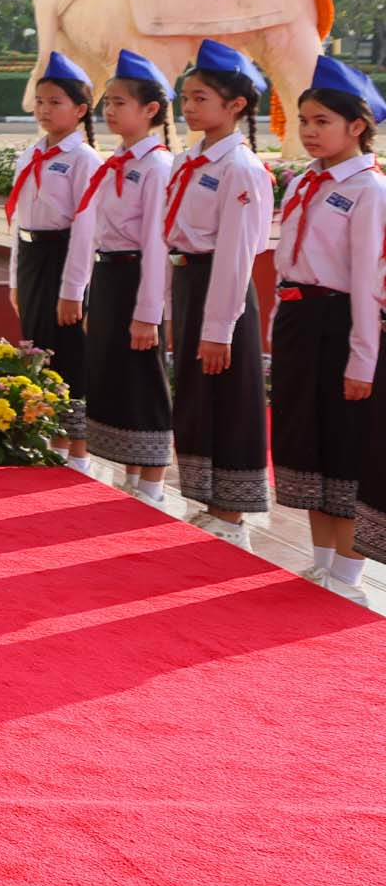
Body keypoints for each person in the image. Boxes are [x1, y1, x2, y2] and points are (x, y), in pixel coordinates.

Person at [270, 56, 386, 604]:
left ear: (356, 127)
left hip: (341, 324)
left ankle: (348, 576)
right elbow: (285, 268)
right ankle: (319, 567)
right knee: (305, 442)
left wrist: (363, 360)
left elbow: (368, 280)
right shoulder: (300, 183)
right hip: (299, 323)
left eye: (322, 121)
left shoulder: (370, 189)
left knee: (344, 446)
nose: (310, 132)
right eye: (305, 121)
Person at [163, 40, 275, 544]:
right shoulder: (191, 160)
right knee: (197, 396)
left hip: (221, 289)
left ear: (236, 106)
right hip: (189, 280)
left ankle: (232, 513)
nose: (188, 107)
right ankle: (209, 501)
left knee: (229, 397)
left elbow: (237, 254)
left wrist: (219, 327)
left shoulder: (241, 169)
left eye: (201, 98)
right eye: (185, 97)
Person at [60, 51, 179, 506]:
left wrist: (148, 313)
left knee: (144, 378)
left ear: (150, 110)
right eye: (107, 102)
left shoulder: (156, 167)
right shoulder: (118, 162)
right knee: (116, 376)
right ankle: (131, 477)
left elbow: (155, 244)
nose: (109, 111)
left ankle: (152, 483)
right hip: (109, 276)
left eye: (120, 102)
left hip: (137, 279)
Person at [8, 51, 97, 471]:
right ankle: (47, 437)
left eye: (56, 102)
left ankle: (76, 449)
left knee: (68, 352)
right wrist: (13, 279)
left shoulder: (84, 160)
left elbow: (85, 229)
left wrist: (73, 290)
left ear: (80, 110)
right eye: (40, 101)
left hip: (63, 257)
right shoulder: (31, 154)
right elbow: (17, 221)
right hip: (31, 258)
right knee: (37, 347)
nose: (45, 110)